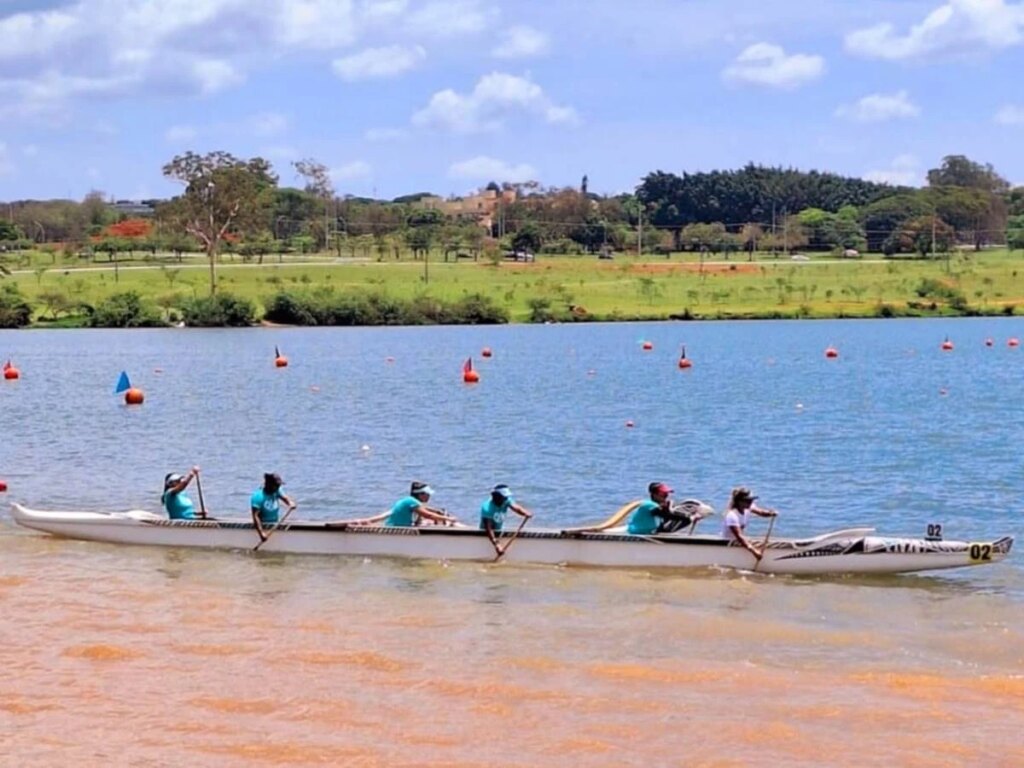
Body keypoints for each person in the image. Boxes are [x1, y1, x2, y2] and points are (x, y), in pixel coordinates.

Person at [721, 487, 778, 560]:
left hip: (738, 541)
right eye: (748, 501)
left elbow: (761, 512)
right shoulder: (732, 515)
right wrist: (754, 552)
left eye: (751, 500)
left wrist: (771, 513)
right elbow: (739, 537)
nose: (751, 502)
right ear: (739, 502)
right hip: (729, 542)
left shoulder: (748, 507)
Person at [480, 484, 533, 556]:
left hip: (499, 530)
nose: (506, 499)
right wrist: (496, 545)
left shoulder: (506, 500)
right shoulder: (487, 507)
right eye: (503, 497)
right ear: (496, 496)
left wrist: (525, 513)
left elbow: (516, 508)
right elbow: (489, 528)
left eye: (506, 497)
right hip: (486, 533)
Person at [627, 482, 693, 535]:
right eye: (663, 494)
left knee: (685, 519)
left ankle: (664, 533)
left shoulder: (657, 505)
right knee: (686, 519)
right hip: (638, 532)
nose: (666, 496)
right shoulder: (649, 504)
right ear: (654, 494)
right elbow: (667, 515)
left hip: (649, 531)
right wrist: (689, 517)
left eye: (667, 494)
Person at [384, 481, 457, 527]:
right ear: (420, 495)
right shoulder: (411, 502)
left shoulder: (411, 501)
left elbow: (422, 508)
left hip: (399, 527)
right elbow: (428, 515)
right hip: (396, 530)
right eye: (427, 494)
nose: (429, 496)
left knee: (426, 523)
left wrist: (436, 511)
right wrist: (449, 519)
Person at [250, 472, 297, 542]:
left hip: (274, 523)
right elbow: (255, 516)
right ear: (269, 485)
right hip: (263, 525)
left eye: (279, 486)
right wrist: (261, 533)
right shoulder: (258, 497)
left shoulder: (277, 490)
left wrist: (290, 503)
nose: (278, 487)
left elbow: (285, 499)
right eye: (276, 486)